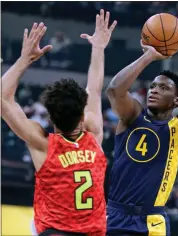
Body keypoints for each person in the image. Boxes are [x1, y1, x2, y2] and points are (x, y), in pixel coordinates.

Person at [1, 9, 117, 236]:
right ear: (83, 116)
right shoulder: (93, 133)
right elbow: (94, 88)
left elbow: (3, 99)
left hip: (54, 232)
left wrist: (25, 59)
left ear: (50, 117)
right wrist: (98, 47)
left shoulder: (42, 143)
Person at [106, 18, 178, 236]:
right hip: (114, 215)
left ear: (176, 101)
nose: (154, 90)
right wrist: (149, 56)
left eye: (163, 87)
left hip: (152, 222)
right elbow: (114, 90)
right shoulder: (133, 115)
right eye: (152, 86)